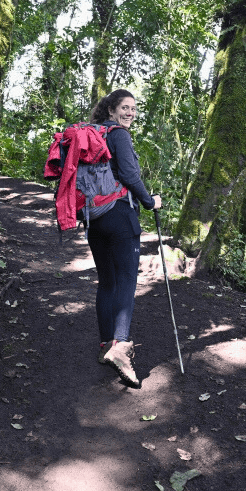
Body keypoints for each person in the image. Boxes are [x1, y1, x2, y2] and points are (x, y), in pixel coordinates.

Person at [86, 89, 161, 389]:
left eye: (133, 108)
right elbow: (130, 176)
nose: (130, 113)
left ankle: (106, 346)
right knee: (127, 282)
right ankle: (121, 348)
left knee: (107, 282)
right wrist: (150, 201)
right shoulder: (119, 136)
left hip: (94, 218)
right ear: (112, 110)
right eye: (125, 108)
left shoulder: (92, 134)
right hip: (119, 216)